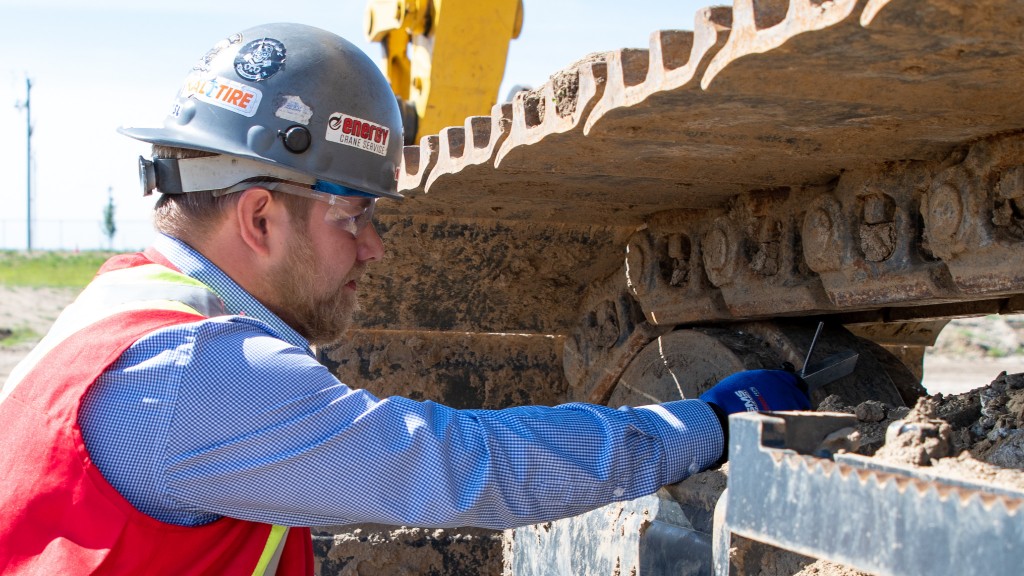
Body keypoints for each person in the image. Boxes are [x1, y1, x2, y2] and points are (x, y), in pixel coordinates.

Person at [0, 23, 811, 575]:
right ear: (258, 215)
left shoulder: (120, 312)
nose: (375, 247)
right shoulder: (197, 373)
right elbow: (458, 467)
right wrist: (704, 425)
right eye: (353, 217)